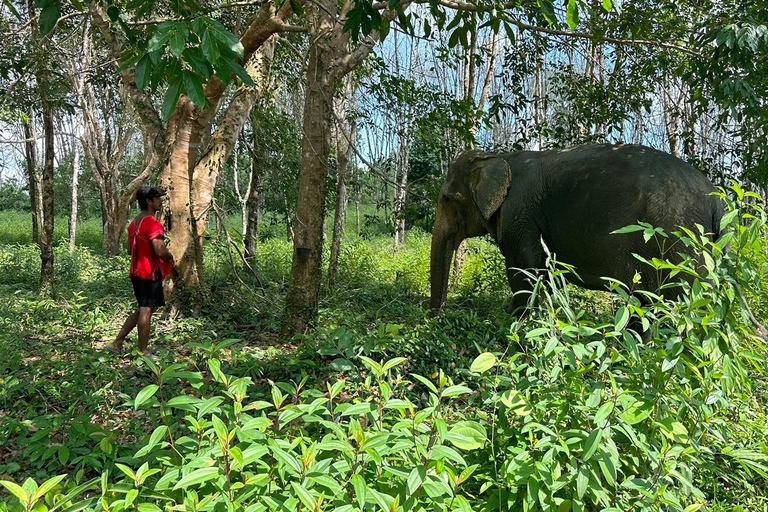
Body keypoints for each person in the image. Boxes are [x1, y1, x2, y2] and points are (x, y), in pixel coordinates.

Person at [107, 186, 174, 358]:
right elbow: (160, 251)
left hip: (136, 273)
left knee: (144, 308)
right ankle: (143, 352)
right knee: (146, 311)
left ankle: (118, 342)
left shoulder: (134, 223)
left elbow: (130, 250)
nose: (160, 201)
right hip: (149, 273)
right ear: (149, 201)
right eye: (157, 198)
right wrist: (170, 257)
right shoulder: (152, 223)